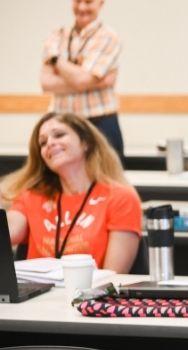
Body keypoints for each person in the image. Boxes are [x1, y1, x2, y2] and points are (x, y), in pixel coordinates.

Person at [2, 112, 141, 273]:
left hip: (91, 296)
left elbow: (114, 277)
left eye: (59, 135)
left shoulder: (121, 197)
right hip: (38, 298)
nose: (50, 143)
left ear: (86, 142)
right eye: (43, 142)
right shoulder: (31, 196)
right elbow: (9, 231)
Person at [40, 0, 124, 159]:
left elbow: (82, 81)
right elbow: (45, 83)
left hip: (100, 124)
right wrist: (96, 81)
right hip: (61, 124)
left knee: (106, 182)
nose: (82, 7)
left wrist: (56, 60)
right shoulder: (57, 35)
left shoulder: (108, 37)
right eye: (78, 1)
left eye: (88, 2)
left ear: (101, 3)